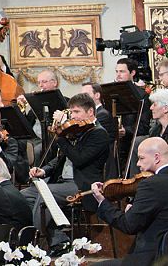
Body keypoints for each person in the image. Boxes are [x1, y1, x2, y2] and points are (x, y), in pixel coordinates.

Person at [89, 137, 168, 266]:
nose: (138, 163)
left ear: (156, 157)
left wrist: (102, 202)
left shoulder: (150, 184)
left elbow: (128, 226)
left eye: (141, 158)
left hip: (151, 260)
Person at [27, 94, 111, 243]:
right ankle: (57, 238)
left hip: (81, 184)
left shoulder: (99, 133)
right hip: (62, 181)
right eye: (71, 112)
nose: (73, 116)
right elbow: (61, 158)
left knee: (46, 195)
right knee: (25, 195)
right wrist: (44, 170)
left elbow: (79, 159)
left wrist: (61, 139)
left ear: (90, 112)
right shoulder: (78, 130)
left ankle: (34, 240)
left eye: (77, 112)